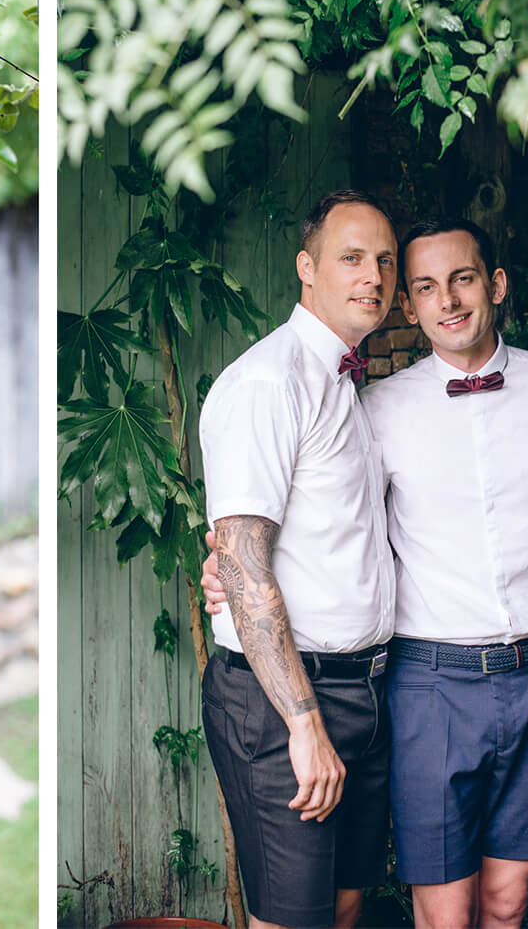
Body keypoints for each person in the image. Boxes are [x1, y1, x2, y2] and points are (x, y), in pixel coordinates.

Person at [203, 217, 528, 929]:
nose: (448, 300)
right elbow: (290, 516)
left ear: (494, 284)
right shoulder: (371, 404)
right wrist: (222, 559)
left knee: (501, 900)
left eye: (463, 278)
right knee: (432, 913)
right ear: (409, 305)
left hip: (526, 676)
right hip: (425, 683)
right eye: (426, 286)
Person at [196, 189, 399, 929]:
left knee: (345, 909)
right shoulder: (270, 380)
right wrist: (304, 721)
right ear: (306, 267)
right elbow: (244, 566)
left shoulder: (348, 385)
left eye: (383, 259)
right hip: (285, 702)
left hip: (363, 694)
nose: (372, 275)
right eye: (352, 257)